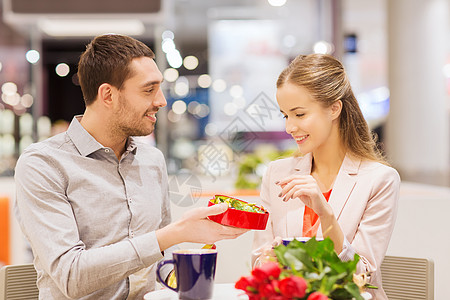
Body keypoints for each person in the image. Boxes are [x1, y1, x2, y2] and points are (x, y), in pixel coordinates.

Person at [14, 34, 247, 300]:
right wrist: (170, 236)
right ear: (108, 95)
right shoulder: (44, 164)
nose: (161, 101)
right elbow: (70, 276)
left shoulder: (152, 160)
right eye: (149, 90)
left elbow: (163, 256)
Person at [252, 54, 400, 299]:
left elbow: (362, 275)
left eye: (299, 114)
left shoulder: (380, 180)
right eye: (285, 115)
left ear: (334, 108)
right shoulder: (276, 174)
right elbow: (259, 263)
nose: (289, 127)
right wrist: (268, 259)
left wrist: (325, 212)